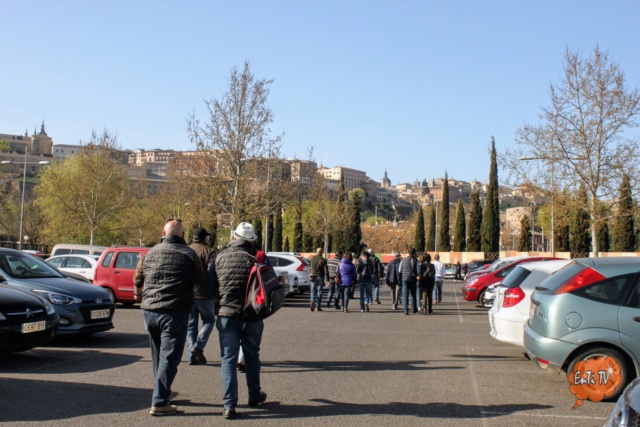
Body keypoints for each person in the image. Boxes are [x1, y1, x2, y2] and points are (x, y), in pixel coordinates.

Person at [133, 219, 205, 416]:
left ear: (163, 232)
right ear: (183, 235)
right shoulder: (189, 254)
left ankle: (163, 392)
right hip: (175, 311)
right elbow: (200, 278)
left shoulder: (150, 253)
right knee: (170, 358)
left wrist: (138, 294)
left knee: (158, 355)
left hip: (150, 311)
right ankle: (160, 401)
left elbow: (137, 279)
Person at [209, 222, 267, 419]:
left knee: (228, 359)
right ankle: (254, 395)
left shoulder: (220, 257)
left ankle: (229, 405)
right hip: (252, 315)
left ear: (234, 237)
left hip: (226, 314)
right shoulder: (258, 256)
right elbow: (268, 285)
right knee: (252, 356)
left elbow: (210, 288)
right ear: (251, 240)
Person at [186, 227, 216, 365]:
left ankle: (191, 355)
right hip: (205, 293)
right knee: (209, 320)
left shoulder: (186, 250)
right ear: (205, 238)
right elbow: (212, 272)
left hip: (189, 292)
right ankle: (198, 347)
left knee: (191, 325)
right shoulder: (209, 251)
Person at [309, 248, 330, 312]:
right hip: (321, 276)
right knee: (319, 291)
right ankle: (318, 307)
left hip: (313, 276)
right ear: (322, 252)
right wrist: (327, 279)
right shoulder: (323, 260)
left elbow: (311, 267)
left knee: (313, 291)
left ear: (316, 252)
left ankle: (312, 301)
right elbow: (326, 271)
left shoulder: (312, 259)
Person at [400, 248, 418, 315]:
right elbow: (418, 271)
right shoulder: (415, 260)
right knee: (413, 294)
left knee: (405, 295)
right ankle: (414, 308)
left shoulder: (403, 260)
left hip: (404, 279)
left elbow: (400, 270)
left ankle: (406, 309)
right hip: (412, 279)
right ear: (414, 253)